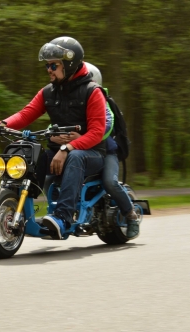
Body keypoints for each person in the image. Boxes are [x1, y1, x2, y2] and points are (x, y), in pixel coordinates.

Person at [0, 36, 106, 240]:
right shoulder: (48, 92)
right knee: (28, 151)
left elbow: (96, 133)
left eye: (53, 65)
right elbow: (26, 114)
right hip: (62, 150)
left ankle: (63, 218)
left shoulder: (92, 92)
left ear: (69, 64)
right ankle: (15, 205)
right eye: (47, 66)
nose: (49, 69)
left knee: (75, 157)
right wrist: (2, 124)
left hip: (92, 154)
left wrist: (67, 148)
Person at [62, 62, 140, 238]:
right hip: (82, 151)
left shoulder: (100, 99)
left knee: (110, 182)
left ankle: (131, 215)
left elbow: (105, 125)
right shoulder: (73, 102)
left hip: (107, 153)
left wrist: (80, 137)